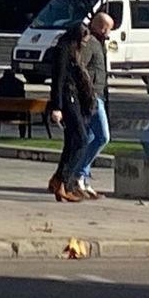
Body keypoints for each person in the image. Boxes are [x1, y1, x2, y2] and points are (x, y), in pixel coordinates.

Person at [47, 23, 97, 201]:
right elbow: (58, 80)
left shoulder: (72, 51)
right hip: (67, 99)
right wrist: (57, 107)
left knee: (72, 142)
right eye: (82, 41)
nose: (83, 45)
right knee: (82, 139)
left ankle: (59, 180)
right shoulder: (62, 51)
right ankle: (63, 181)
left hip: (74, 97)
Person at [70, 10, 114, 199]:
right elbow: (80, 68)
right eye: (108, 29)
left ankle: (81, 178)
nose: (109, 33)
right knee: (102, 136)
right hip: (91, 97)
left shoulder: (98, 44)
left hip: (97, 96)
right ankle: (78, 174)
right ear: (101, 27)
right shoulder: (90, 44)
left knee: (89, 137)